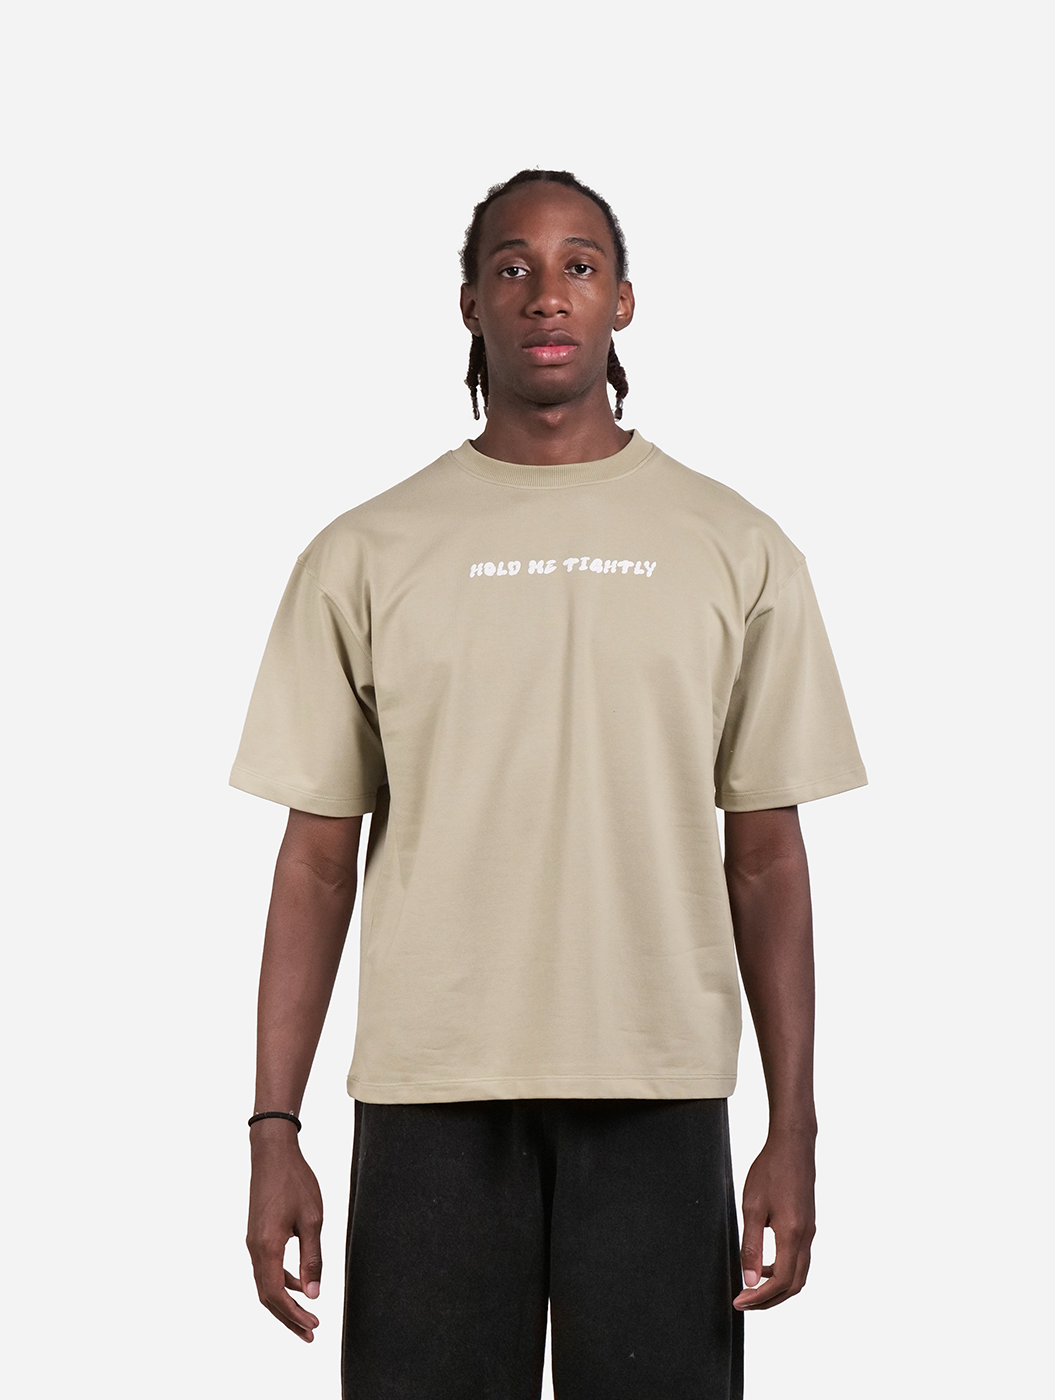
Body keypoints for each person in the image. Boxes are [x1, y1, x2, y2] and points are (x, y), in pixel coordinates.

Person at [231, 169, 867, 1400]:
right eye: (511, 266)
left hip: (659, 1090)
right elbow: (313, 860)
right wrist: (273, 1128)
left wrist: (790, 1129)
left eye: (578, 264)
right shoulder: (364, 551)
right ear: (470, 302)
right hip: (428, 1097)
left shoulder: (737, 547)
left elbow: (765, 855)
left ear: (622, 300)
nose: (545, 292)